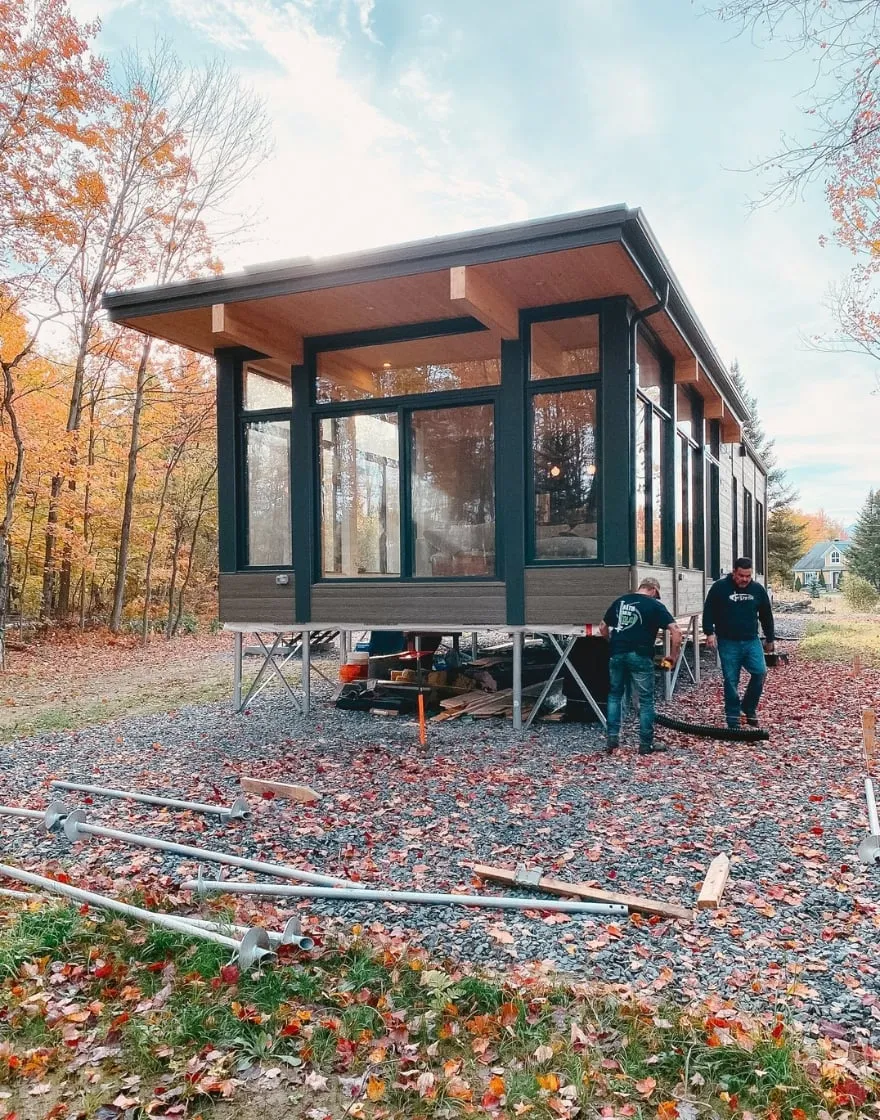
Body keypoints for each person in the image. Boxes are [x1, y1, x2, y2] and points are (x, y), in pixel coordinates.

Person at [600, 577, 682, 756]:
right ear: (653, 590)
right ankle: (646, 744)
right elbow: (676, 631)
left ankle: (612, 740)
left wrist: (613, 645)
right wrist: (673, 657)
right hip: (640, 654)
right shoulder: (654, 606)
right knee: (645, 700)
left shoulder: (620, 601)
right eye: (656, 595)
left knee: (615, 695)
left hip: (617, 654)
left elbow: (602, 627)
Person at [702, 556, 775, 729]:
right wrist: (709, 632)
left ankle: (749, 709)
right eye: (741, 575)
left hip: (751, 640)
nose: (744, 580)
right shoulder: (720, 588)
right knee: (731, 680)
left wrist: (770, 638)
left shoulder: (757, 589)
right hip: (728, 641)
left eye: (748, 576)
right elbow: (709, 610)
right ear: (734, 572)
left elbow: (766, 615)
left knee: (760, 672)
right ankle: (733, 718)